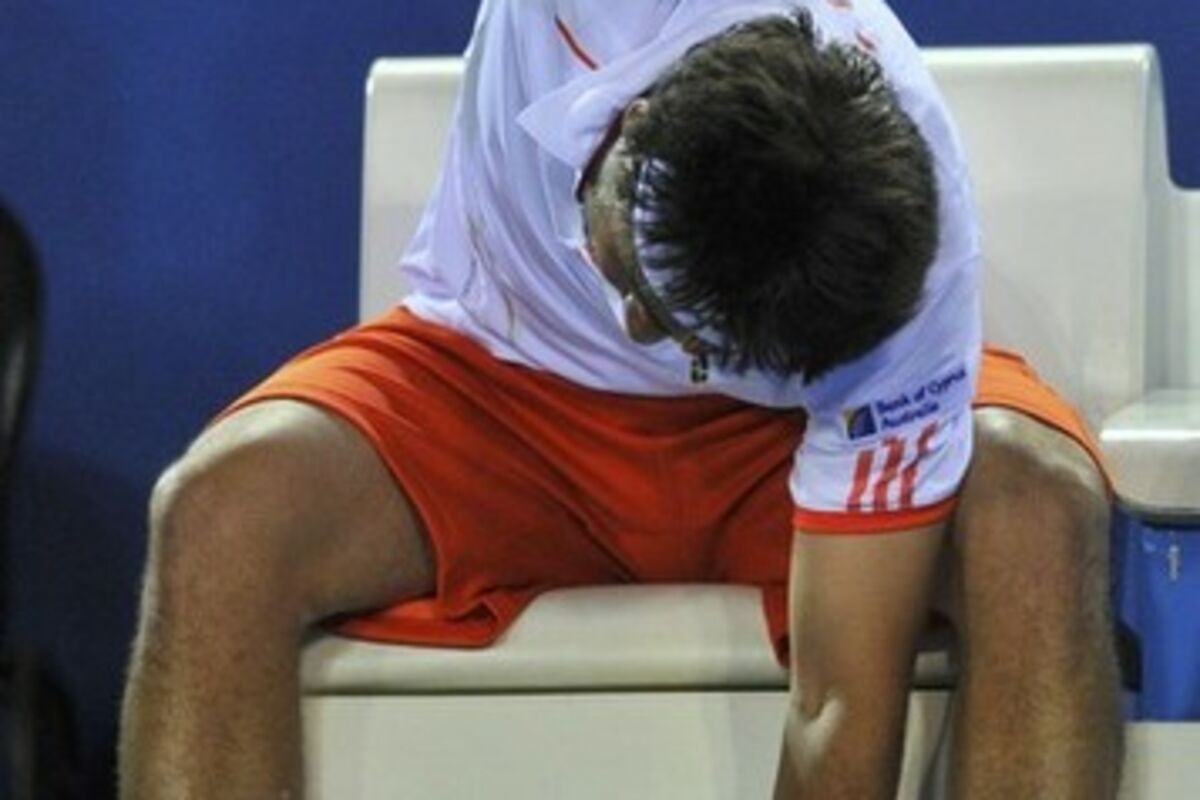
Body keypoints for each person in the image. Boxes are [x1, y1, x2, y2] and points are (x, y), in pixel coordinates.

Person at [118, 1, 1123, 797]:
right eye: (636, 279)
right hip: (500, 390)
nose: (637, 324)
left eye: (685, 336)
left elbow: (837, 713)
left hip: (773, 442)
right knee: (222, 515)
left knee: (1033, 513)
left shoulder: (901, 286)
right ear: (635, 121)